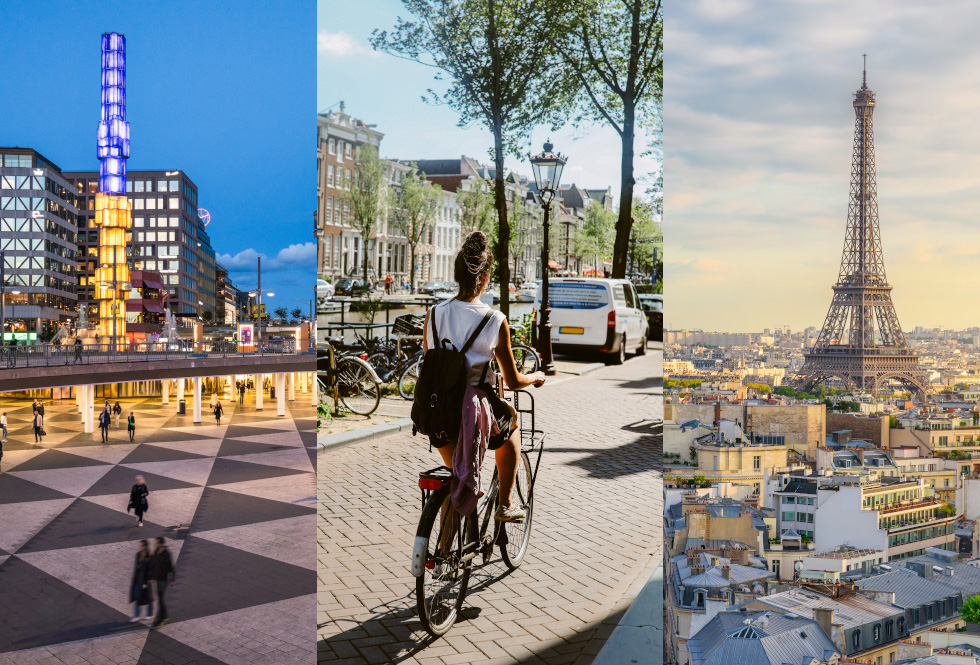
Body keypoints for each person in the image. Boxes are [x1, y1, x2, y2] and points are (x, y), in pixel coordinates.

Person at [422, 231, 545, 522]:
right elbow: (513, 381)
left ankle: (441, 554)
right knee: (511, 422)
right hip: (472, 412)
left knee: (455, 479)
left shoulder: (433, 313)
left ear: (456, 275)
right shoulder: (495, 320)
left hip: (435, 412)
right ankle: (505, 503)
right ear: (486, 276)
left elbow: (432, 360)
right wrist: (535, 376)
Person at [150, 537, 175, 628]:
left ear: (161, 544)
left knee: (160, 599)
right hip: (157, 579)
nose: (155, 544)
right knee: (160, 598)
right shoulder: (156, 551)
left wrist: (172, 579)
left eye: (156, 543)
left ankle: (162, 617)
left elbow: (171, 567)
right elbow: (153, 563)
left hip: (163, 579)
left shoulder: (166, 554)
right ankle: (164, 616)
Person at [129, 540, 154, 622]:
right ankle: (137, 615)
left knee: (148, 598)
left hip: (145, 581)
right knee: (137, 596)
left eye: (141, 546)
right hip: (137, 580)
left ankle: (150, 613)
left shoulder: (148, 557)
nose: (139, 547)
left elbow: (150, 570)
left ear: (144, 546)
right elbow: (136, 568)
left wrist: (147, 581)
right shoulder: (138, 555)